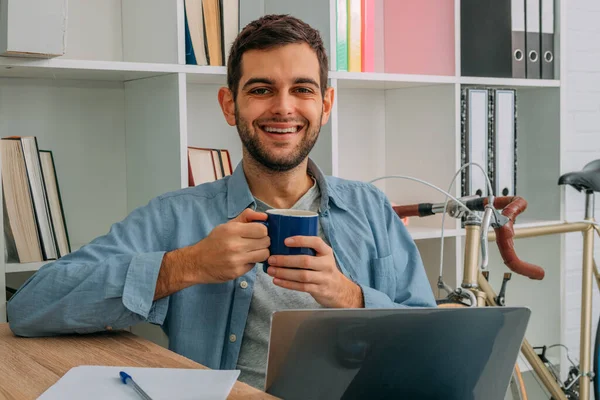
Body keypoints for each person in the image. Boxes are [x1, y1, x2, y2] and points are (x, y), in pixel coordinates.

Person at [7, 14, 436, 390]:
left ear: (325, 104)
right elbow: (28, 307)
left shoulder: (371, 209)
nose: (283, 108)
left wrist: (349, 297)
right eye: (261, 90)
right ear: (230, 105)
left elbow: (432, 345)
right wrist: (186, 265)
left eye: (302, 89)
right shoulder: (177, 215)